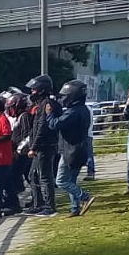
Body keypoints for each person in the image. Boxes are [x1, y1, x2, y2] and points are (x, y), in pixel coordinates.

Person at [46, 80, 95, 217]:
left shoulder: (73, 112)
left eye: (65, 96)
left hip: (71, 151)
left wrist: (49, 113)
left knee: (61, 180)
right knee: (71, 180)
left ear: (73, 96)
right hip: (80, 149)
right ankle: (75, 208)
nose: (63, 99)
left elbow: (55, 125)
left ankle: (84, 196)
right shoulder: (83, 109)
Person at [25, 75, 61, 217]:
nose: (31, 92)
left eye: (34, 90)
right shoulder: (41, 105)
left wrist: (33, 147)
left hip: (44, 146)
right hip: (40, 146)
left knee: (45, 176)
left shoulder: (47, 104)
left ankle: (49, 206)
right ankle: (38, 203)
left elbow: (42, 128)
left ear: (41, 90)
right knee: (33, 175)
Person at [7, 92, 33, 195]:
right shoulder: (20, 116)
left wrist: (18, 150)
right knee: (27, 176)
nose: (9, 110)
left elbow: (27, 135)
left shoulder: (24, 116)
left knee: (16, 175)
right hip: (19, 152)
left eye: (11, 107)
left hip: (22, 153)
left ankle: (37, 199)